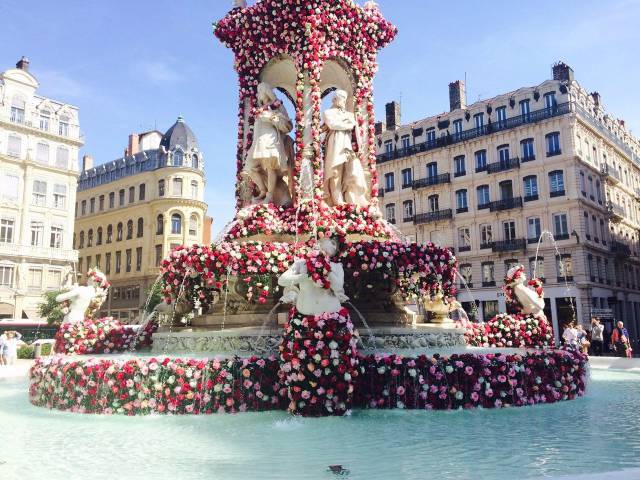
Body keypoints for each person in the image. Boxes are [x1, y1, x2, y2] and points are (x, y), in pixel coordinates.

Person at [323, 89, 368, 207]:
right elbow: (333, 124)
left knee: (352, 169)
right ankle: (337, 200)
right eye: (341, 98)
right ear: (334, 99)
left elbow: (354, 127)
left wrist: (348, 123)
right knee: (336, 171)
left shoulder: (349, 114)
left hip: (348, 144)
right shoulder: (328, 112)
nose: (343, 101)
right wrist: (347, 124)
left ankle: (353, 197)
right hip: (336, 143)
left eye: (344, 98)